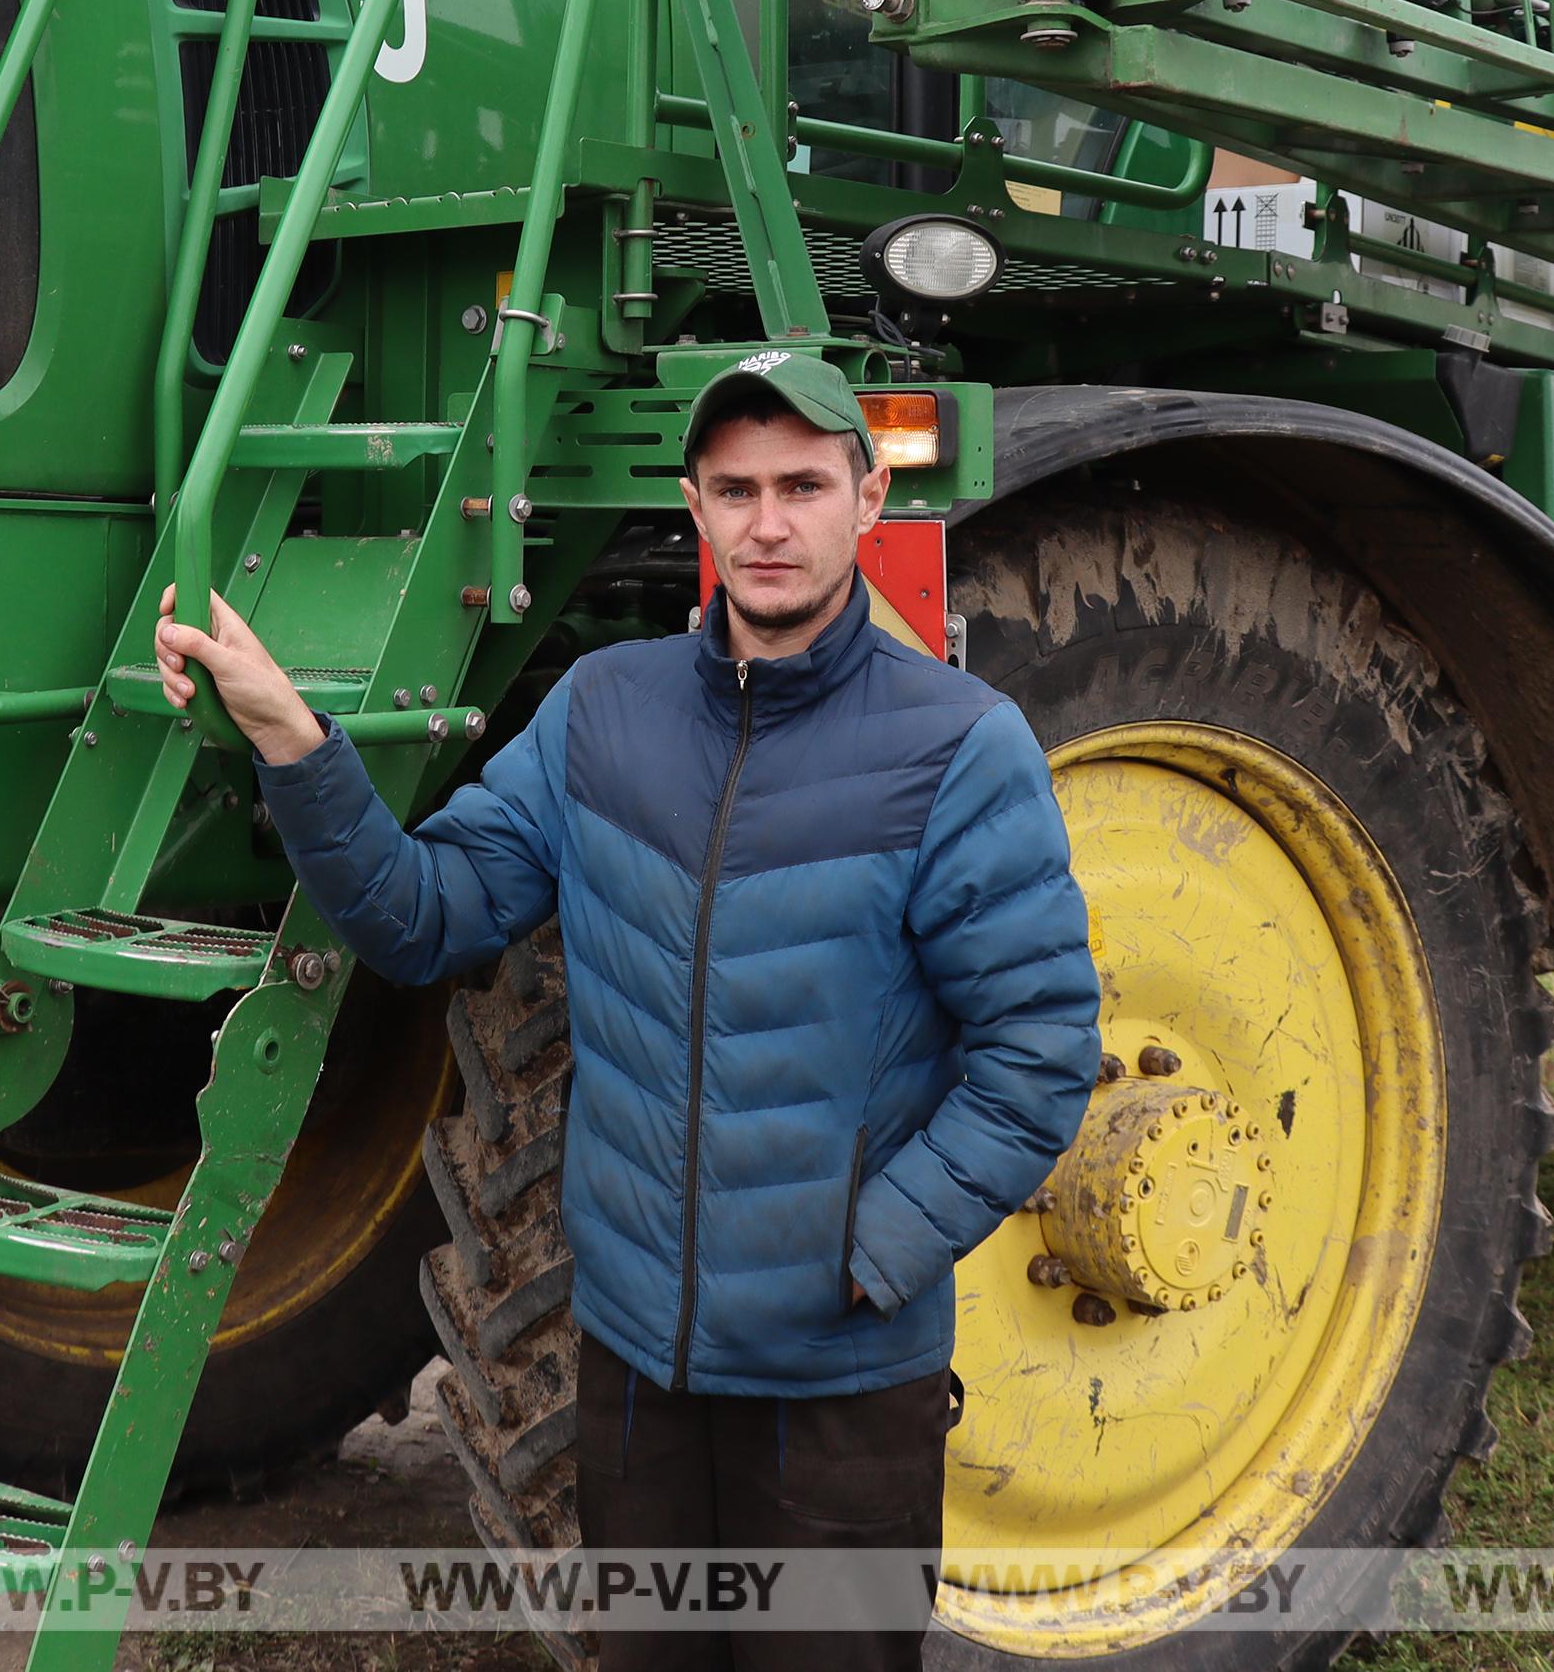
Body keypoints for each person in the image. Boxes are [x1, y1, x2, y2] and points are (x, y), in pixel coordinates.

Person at [155, 348, 1101, 1672]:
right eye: (736, 488)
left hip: (836, 1392)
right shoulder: (604, 713)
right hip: (639, 1375)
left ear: (868, 494)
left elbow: (1041, 1054)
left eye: (802, 483)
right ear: (693, 506)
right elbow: (425, 911)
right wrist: (293, 742)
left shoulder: (956, 744)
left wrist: (871, 1247)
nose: (770, 521)